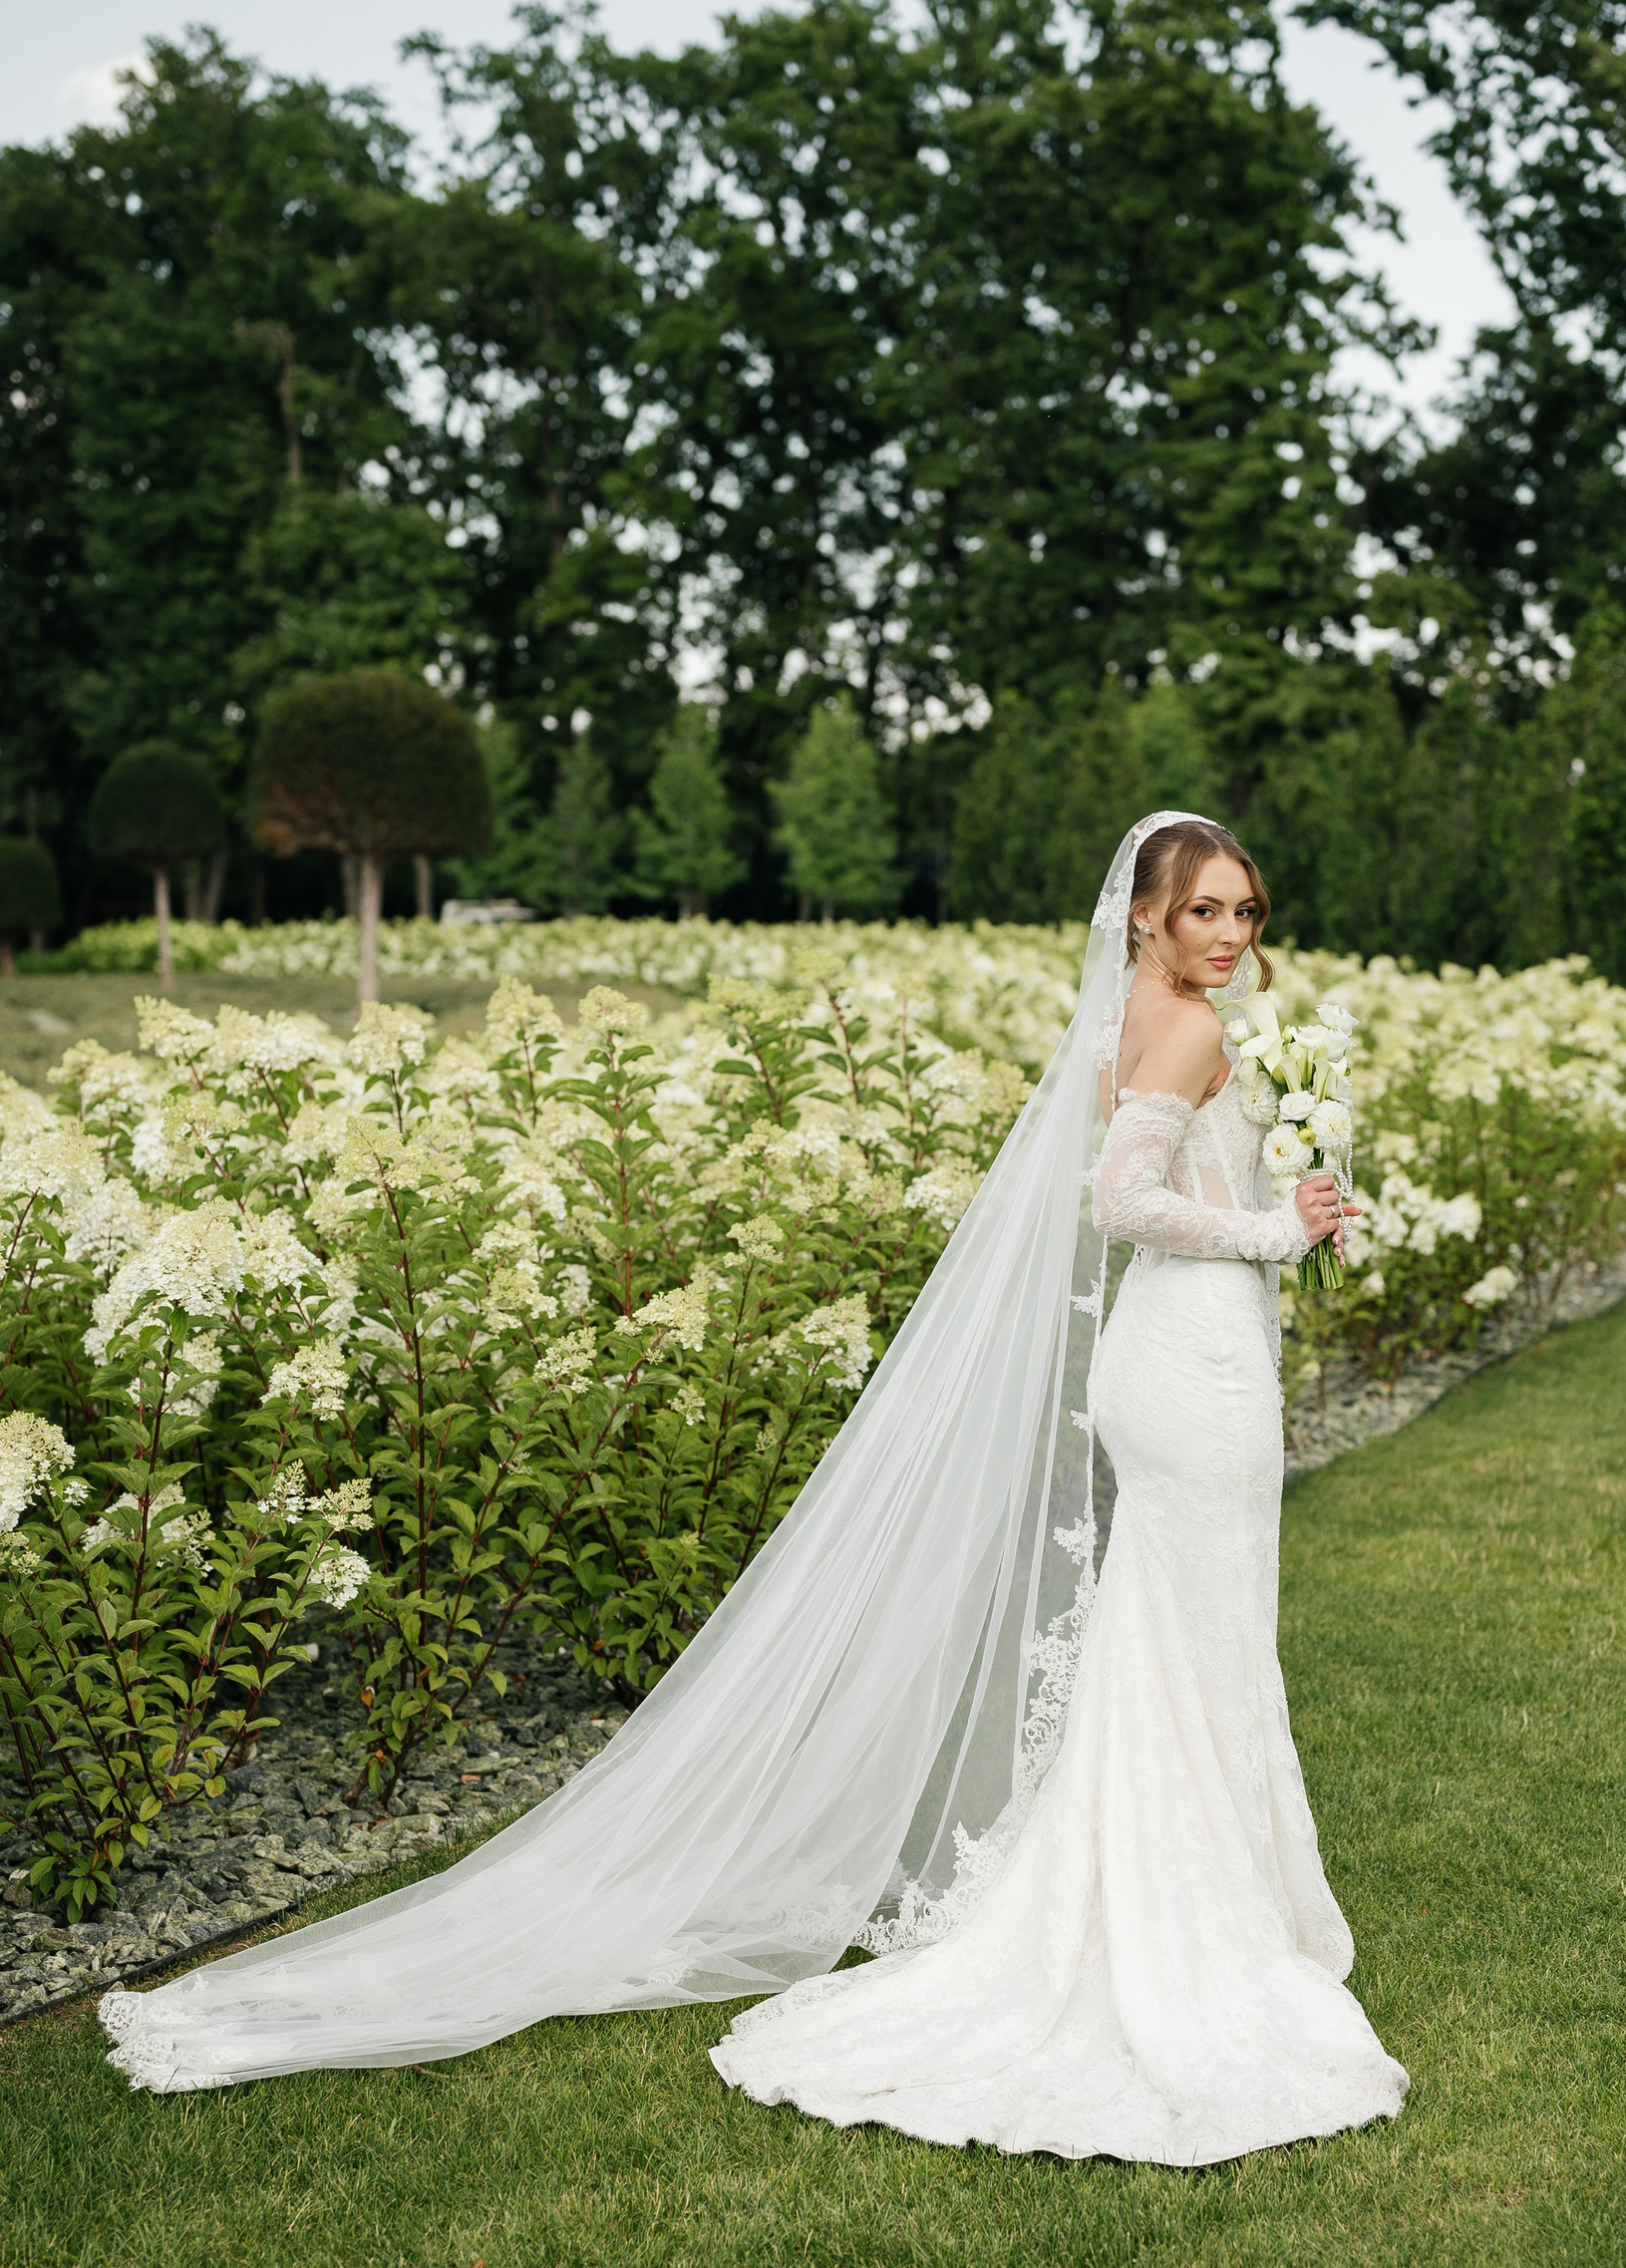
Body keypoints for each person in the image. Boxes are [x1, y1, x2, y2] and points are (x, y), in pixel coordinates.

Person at [101, 815, 1407, 2159]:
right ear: (1145, 917)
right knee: (1201, 1631)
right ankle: (1189, 1922)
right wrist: (1274, 1227)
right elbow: (1124, 1201)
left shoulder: (1139, 1014)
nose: (1230, 935)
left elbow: (1161, 1170)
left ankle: (1164, 1894)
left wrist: (1287, 1175)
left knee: (1172, 1633)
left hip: (1176, 1353)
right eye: (1204, 911)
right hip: (1194, 1363)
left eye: (1245, 911)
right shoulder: (1182, 1025)